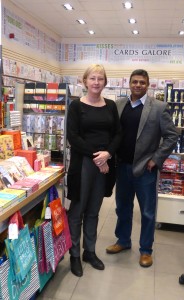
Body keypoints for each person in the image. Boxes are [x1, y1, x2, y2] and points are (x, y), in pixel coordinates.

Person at [106, 69, 178, 267]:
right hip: (122, 167)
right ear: (129, 83)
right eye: (135, 82)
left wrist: (156, 159)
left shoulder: (159, 107)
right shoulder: (119, 105)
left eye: (142, 83)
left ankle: (146, 250)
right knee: (122, 208)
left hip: (146, 169)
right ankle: (123, 240)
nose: (138, 85)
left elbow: (172, 135)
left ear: (148, 85)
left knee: (147, 211)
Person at [67, 64, 121, 277]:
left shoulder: (110, 106)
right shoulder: (76, 106)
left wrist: (107, 154)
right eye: (92, 78)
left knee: (94, 210)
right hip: (83, 165)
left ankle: (89, 251)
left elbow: (118, 134)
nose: (96, 82)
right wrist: (98, 157)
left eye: (100, 79)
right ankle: (73, 254)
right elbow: (74, 137)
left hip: (104, 163)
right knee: (77, 210)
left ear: (105, 82)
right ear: (85, 81)